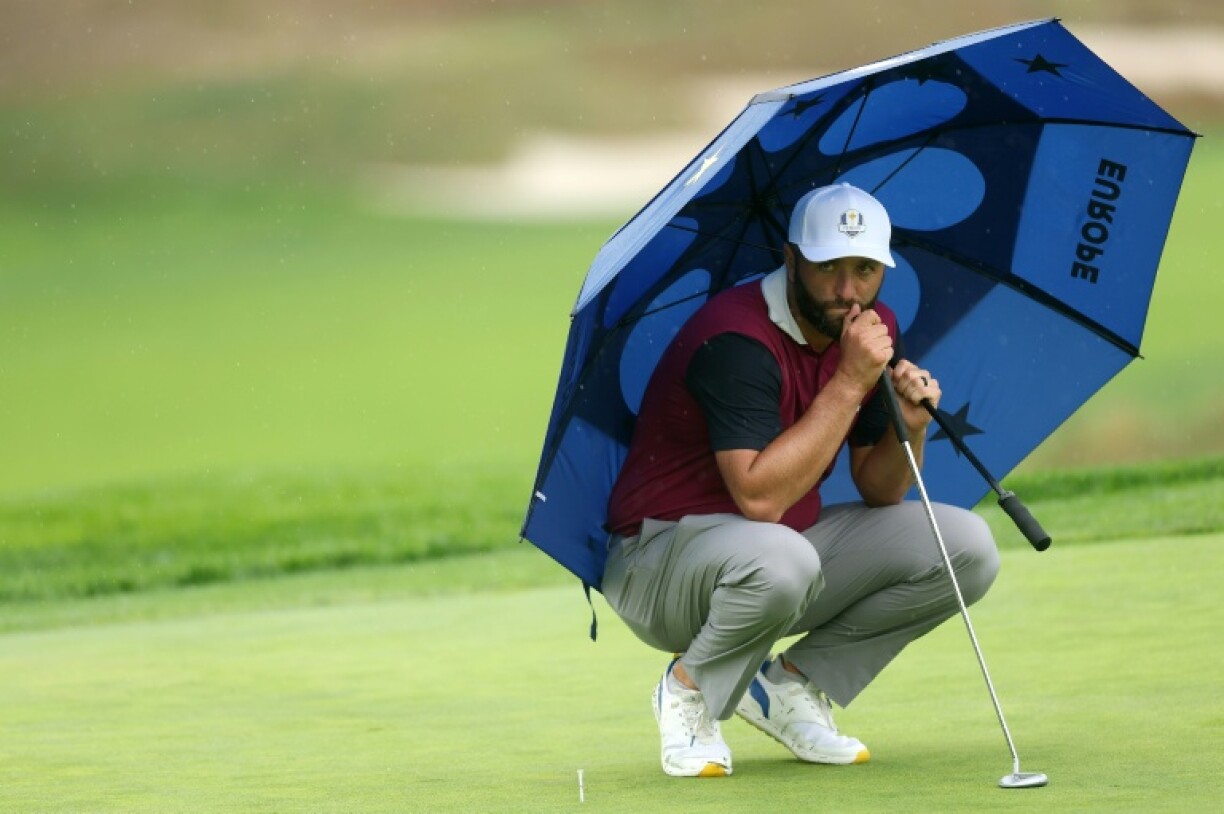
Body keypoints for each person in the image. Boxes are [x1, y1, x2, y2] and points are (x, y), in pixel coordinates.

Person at [602, 183, 1000, 778]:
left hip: (774, 554)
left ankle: (788, 685)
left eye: (865, 269)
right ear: (791, 261)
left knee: (966, 547)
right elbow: (759, 497)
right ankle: (688, 690)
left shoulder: (869, 328)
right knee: (783, 557)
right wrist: (849, 381)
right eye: (828, 268)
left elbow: (880, 489)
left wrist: (908, 428)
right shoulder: (734, 339)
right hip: (658, 564)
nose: (848, 290)